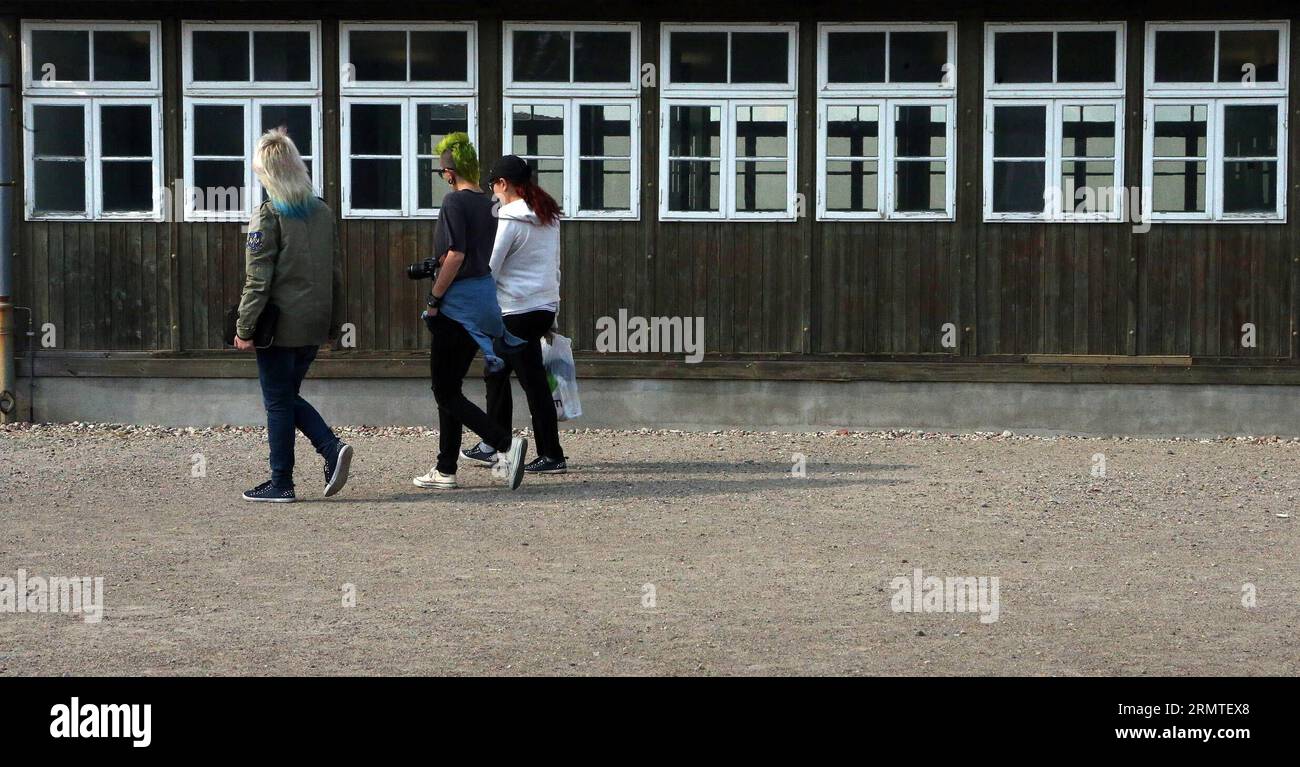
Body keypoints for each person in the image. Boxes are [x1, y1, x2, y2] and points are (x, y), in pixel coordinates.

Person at [235, 128, 352, 503]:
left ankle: (292, 473)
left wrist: (244, 326)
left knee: (278, 400)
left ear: (266, 173)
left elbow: (258, 279)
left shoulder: (268, 215)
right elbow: (335, 272)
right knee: (287, 396)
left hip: (278, 326)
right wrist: (334, 323)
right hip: (315, 321)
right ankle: (321, 455)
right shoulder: (322, 211)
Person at [412, 132, 528, 492]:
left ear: (448, 171)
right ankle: (445, 468)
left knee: (444, 391)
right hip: (484, 300)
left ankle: (504, 443)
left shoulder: (453, 203)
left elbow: (457, 255)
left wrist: (433, 299)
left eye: (440, 171)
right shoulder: (490, 203)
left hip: (457, 305)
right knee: (451, 387)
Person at [460, 155, 567, 474]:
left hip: (514, 311)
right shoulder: (548, 215)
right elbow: (554, 266)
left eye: (493, 186)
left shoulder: (507, 218)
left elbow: (489, 268)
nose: (493, 193)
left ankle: (528, 450)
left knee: (520, 380)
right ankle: (498, 443)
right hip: (542, 308)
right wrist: (554, 309)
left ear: (503, 184)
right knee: (501, 374)